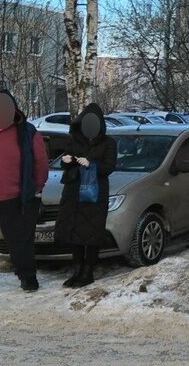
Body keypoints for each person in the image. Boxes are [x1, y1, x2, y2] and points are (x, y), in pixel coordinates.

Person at [0, 91, 49, 292]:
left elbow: (40, 163)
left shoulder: (27, 132)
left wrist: (35, 188)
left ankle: (28, 278)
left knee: (20, 242)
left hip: (14, 198)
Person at [55, 103, 116, 288]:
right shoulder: (74, 140)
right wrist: (66, 160)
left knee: (92, 234)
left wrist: (91, 164)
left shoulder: (108, 143)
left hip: (94, 194)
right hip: (73, 193)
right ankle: (77, 270)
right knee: (75, 233)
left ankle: (88, 271)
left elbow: (109, 167)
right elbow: (65, 162)